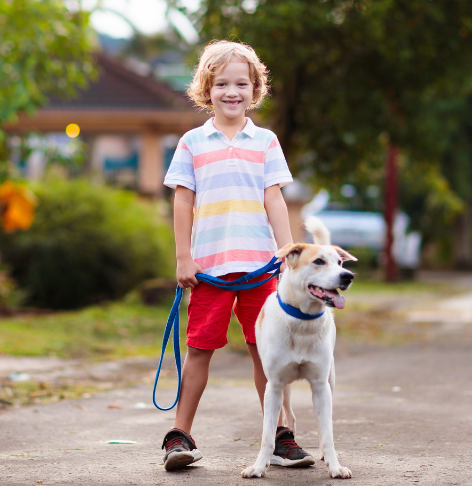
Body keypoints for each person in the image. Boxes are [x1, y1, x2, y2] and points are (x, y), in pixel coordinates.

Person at [160, 40, 314, 471]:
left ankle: (281, 437)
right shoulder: (192, 142)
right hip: (208, 269)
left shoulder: (265, 141)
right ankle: (179, 436)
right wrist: (183, 258)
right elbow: (183, 203)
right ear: (206, 90)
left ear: (255, 89)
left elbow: (275, 200)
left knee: (268, 354)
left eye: (241, 83)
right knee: (198, 350)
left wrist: (290, 256)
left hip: (260, 269)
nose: (232, 91)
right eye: (222, 83)